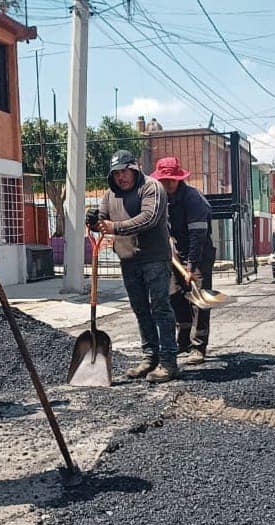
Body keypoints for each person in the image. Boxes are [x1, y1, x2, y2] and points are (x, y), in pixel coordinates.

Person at [93, 149, 179, 382]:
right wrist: (94, 221)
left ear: (135, 168)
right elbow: (102, 220)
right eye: (117, 173)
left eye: (125, 171)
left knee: (160, 308)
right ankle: (149, 358)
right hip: (128, 261)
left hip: (154, 259)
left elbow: (148, 218)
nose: (121, 177)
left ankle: (169, 362)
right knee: (140, 310)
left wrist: (115, 227)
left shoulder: (152, 188)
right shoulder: (110, 194)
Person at [149, 156, 214, 366]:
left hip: (200, 253)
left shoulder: (194, 199)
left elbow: (198, 237)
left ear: (178, 179)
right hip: (175, 252)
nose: (167, 184)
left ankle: (198, 346)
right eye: (163, 180)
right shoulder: (161, 199)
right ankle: (183, 340)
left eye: (171, 180)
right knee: (175, 294)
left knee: (199, 299)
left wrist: (191, 267)